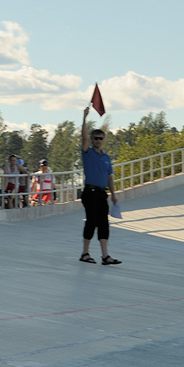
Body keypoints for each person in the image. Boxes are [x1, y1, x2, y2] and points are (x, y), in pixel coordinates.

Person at [80, 107, 121, 265]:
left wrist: (114, 194)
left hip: (101, 193)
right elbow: (83, 138)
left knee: (103, 223)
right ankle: (85, 253)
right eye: (95, 138)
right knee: (91, 221)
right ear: (92, 140)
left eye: (100, 138)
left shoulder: (106, 158)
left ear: (103, 140)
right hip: (90, 192)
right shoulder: (87, 153)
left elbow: (109, 177)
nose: (98, 140)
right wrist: (84, 118)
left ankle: (105, 256)